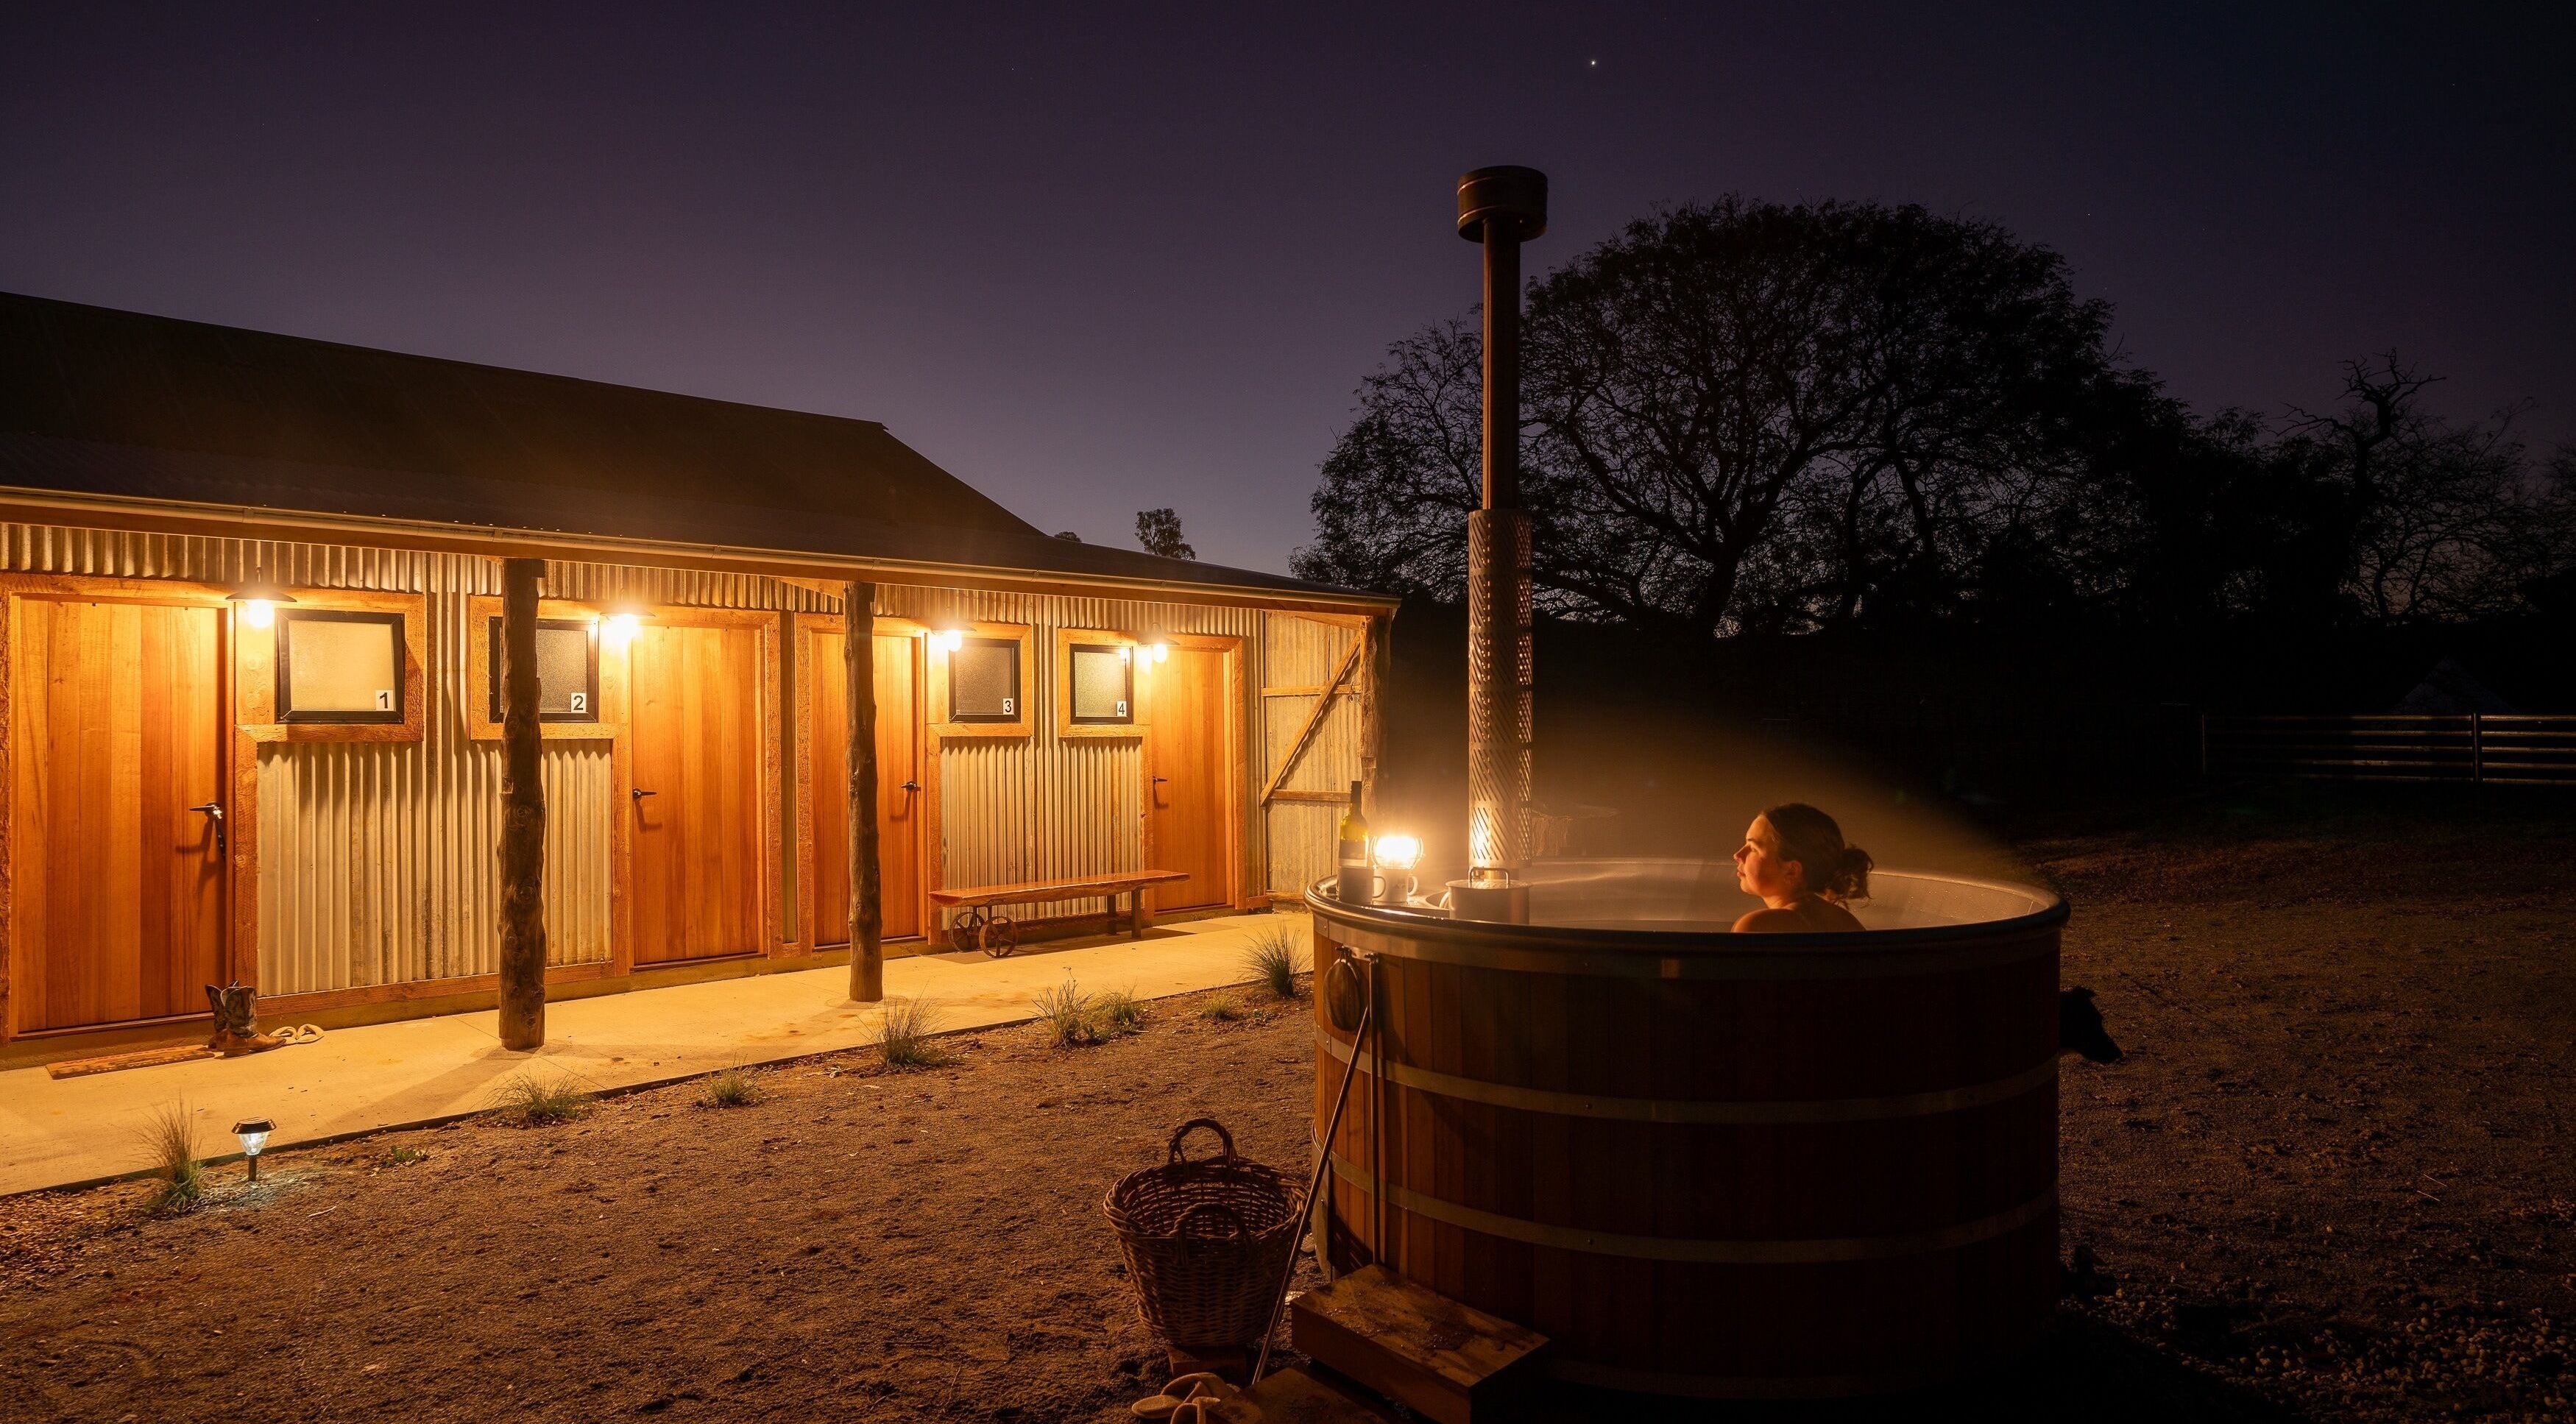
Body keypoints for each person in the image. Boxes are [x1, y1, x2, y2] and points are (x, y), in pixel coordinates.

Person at [1731, 803, 1873, 932]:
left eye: (1753, 848)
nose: (1738, 855)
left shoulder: (1758, 926)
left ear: (1792, 871)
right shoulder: (1846, 921)